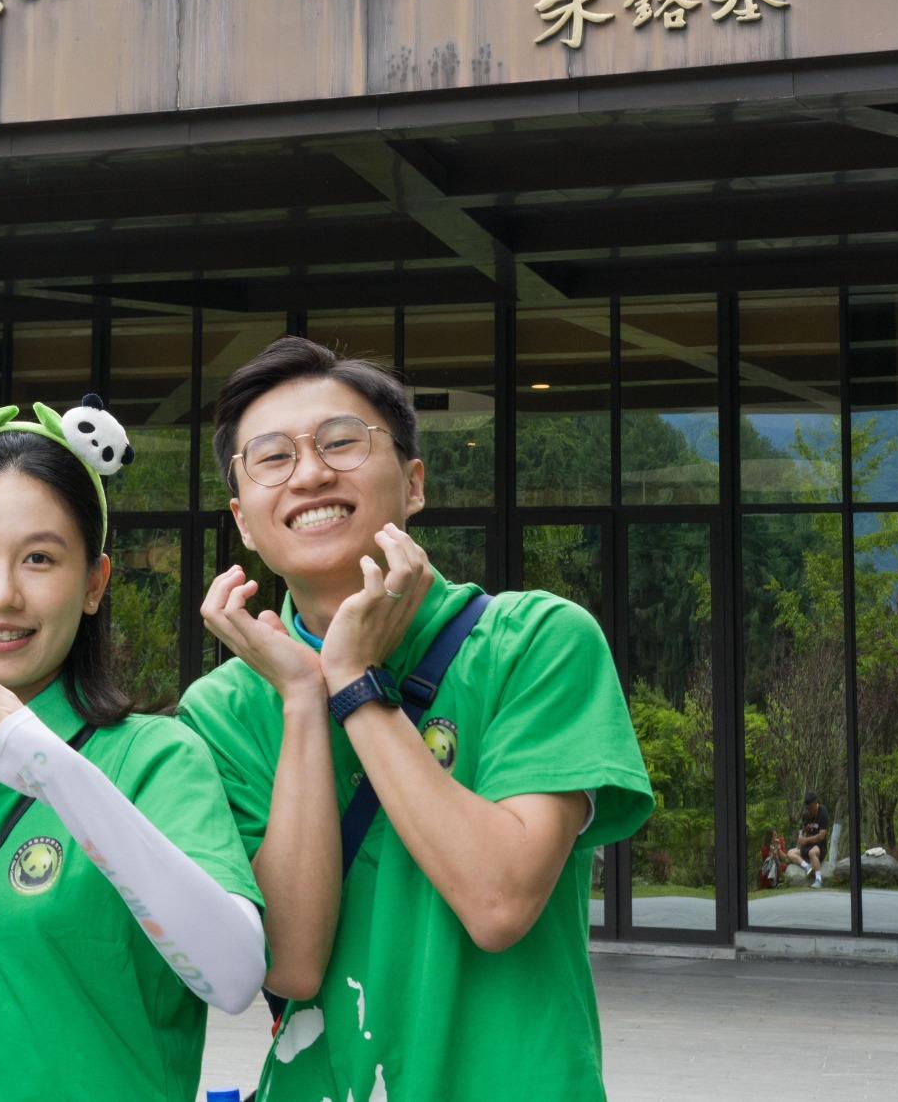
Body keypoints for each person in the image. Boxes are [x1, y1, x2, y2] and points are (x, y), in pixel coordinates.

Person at [178, 337, 654, 1102]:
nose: (309, 472)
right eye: (270, 457)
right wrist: (304, 698)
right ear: (243, 518)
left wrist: (356, 683)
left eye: (340, 441)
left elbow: (500, 902)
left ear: (414, 482)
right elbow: (293, 961)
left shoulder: (536, 641)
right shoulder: (224, 710)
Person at [0, 397, 264, 1102]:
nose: (2, 593)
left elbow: (233, 973)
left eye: (40, 558)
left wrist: (45, 762)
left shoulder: (155, 756)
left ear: (95, 583)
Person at [793, 794, 830, 886]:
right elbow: (801, 831)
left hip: (819, 846)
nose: (809, 810)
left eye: (810, 807)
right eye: (807, 808)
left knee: (812, 853)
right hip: (807, 845)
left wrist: (806, 840)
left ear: (815, 803)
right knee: (790, 852)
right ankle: (807, 866)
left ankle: (818, 879)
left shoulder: (823, 812)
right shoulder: (806, 815)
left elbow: (822, 836)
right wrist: (803, 833)